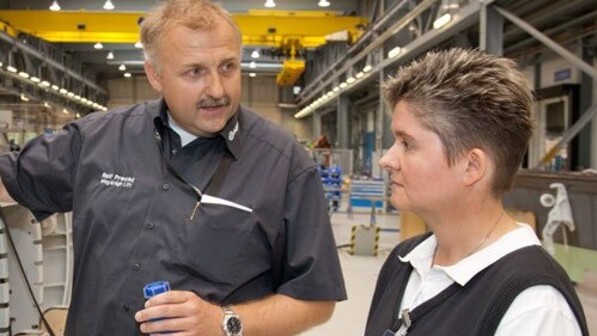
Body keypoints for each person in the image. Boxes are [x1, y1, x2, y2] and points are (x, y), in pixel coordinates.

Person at [0, 0, 346, 335]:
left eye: (228, 67)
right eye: (195, 72)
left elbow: (316, 298)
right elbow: (10, 180)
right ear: (155, 74)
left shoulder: (283, 163)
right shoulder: (97, 140)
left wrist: (223, 322)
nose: (217, 89)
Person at [365, 48, 588, 336]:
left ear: (472, 166)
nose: (387, 160)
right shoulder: (404, 262)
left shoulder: (532, 308)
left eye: (407, 144)